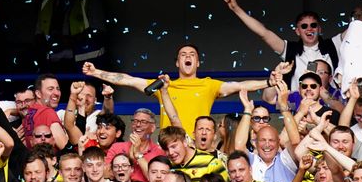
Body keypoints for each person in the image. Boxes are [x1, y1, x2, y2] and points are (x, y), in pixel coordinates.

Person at [83, 48, 279, 136]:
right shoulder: (164, 85)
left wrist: (269, 81)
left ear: (198, 62)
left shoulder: (208, 85)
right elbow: (128, 79)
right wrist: (96, 72)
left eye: (192, 55)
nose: (188, 57)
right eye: (183, 55)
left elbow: (239, 85)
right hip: (168, 144)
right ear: (177, 62)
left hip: (197, 145)